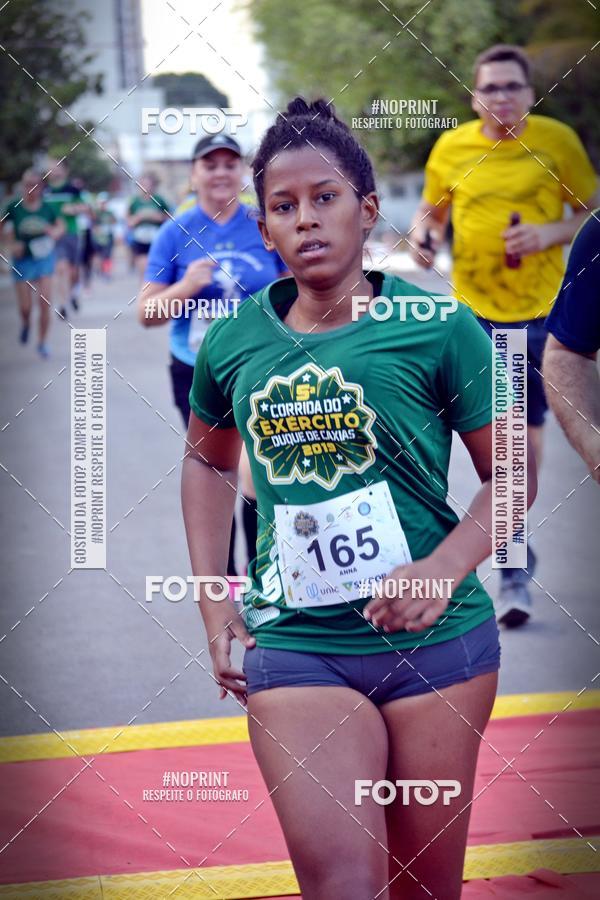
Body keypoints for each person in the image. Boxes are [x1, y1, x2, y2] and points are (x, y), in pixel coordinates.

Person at [181, 98, 537, 900]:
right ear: (263, 228)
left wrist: (444, 569)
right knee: (343, 883)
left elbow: (512, 467)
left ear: (367, 210)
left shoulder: (434, 322)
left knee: (423, 888)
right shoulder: (234, 340)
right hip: (297, 644)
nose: (305, 219)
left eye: (326, 198)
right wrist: (214, 602)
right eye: (283, 206)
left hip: (440, 652)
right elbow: (205, 466)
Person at [410, 43, 599, 627]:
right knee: (502, 442)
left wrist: (549, 232)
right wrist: (422, 238)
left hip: (544, 316)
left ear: (529, 92)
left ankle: (512, 552)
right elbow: (431, 213)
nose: (502, 98)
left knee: (526, 443)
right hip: (476, 315)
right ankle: (513, 567)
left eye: (512, 87)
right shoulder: (452, 148)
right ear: (474, 96)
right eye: (490, 88)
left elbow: (591, 211)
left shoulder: (555, 142)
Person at [139, 133, 287, 574]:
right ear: (194, 174)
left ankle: (263, 579)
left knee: (256, 472)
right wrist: (186, 287)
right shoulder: (174, 232)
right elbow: (147, 312)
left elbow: (298, 289)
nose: (221, 172)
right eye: (210, 164)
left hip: (264, 369)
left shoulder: (263, 224)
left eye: (230, 163)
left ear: (243, 172)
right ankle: (223, 582)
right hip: (196, 371)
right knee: (216, 472)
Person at [543, 212, 600, 483]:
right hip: (488, 316)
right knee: (517, 430)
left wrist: (546, 233)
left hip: (533, 315)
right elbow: (568, 352)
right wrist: (593, 446)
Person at [1, 168, 65, 358]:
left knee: (45, 303)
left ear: (41, 188)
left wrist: (54, 233)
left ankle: (42, 342)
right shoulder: (13, 206)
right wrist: (10, 245)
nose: (31, 189)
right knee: (25, 307)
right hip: (22, 261)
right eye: (28, 185)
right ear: (22, 186)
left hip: (44, 259)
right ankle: (26, 323)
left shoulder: (48, 207)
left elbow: (60, 225)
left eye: (36, 185)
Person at [45, 160, 89, 320]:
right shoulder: (44, 190)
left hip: (72, 233)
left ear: (64, 170)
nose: (54, 170)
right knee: (60, 268)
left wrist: (73, 209)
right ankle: (62, 305)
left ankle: (73, 294)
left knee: (73, 271)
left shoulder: (72, 189)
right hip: (53, 236)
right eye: (51, 167)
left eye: (57, 167)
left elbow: (86, 207)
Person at [127, 173, 170, 279]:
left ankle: (155, 291)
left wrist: (158, 217)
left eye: (149, 185)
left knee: (156, 271)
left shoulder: (159, 200)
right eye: (143, 184)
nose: (146, 187)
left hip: (156, 239)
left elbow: (170, 219)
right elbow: (129, 222)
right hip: (140, 239)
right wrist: (139, 218)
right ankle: (145, 292)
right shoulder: (134, 202)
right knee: (144, 270)